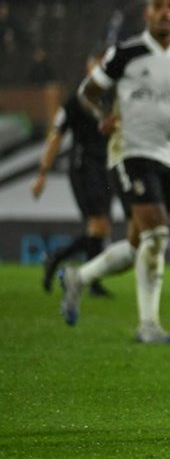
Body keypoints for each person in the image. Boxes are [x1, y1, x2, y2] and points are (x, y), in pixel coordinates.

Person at [61, 0, 170, 344]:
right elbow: (87, 93)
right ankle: (148, 325)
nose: (164, 12)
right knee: (156, 233)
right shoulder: (125, 54)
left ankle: (78, 278)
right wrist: (102, 116)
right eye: (158, 6)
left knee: (137, 245)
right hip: (129, 150)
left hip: (165, 155)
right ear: (147, 13)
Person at [33, 54, 113, 298]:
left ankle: (91, 280)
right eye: (95, 65)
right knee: (98, 225)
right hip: (83, 166)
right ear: (88, 68)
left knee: (100, 228)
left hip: (105, 167)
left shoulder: (110, 99)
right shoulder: (75, 101)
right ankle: (59, 260)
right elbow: (56, 135)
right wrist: (42, 173)